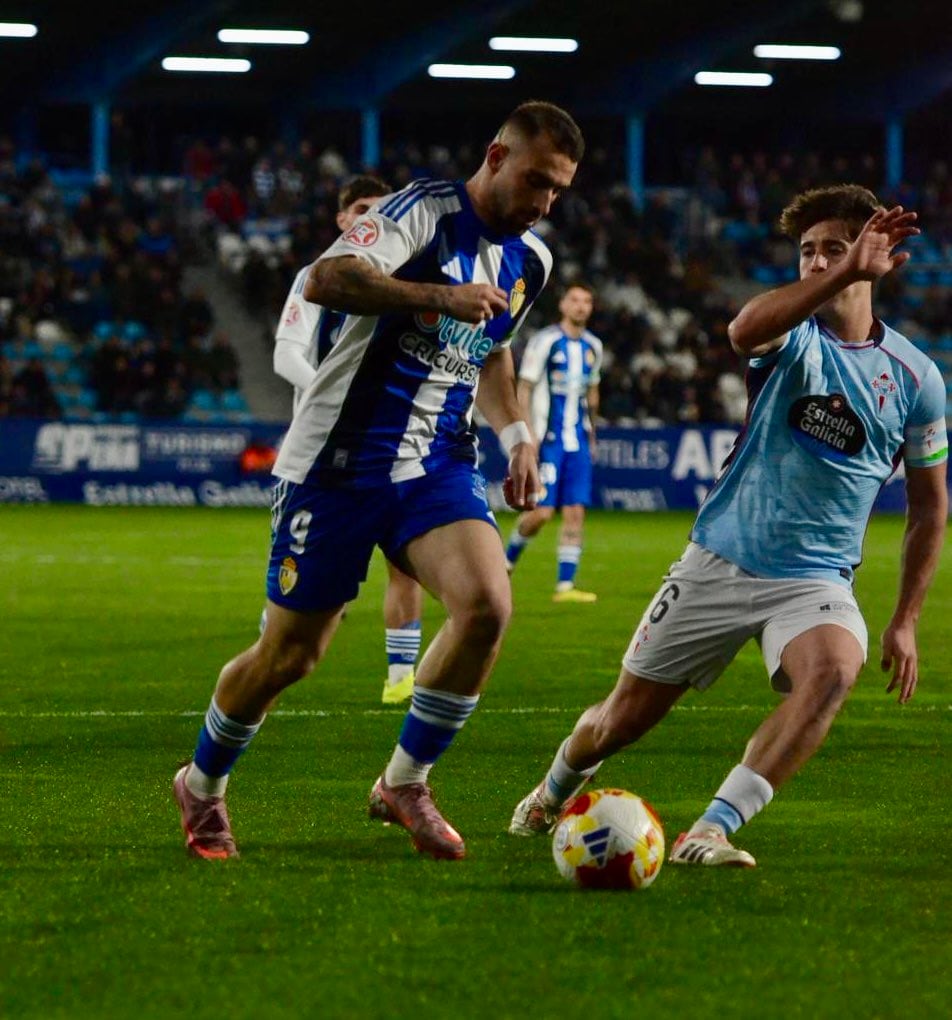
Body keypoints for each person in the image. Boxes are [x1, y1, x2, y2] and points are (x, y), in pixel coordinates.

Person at [174, 100, 584, 861]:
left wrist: (518, 434)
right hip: (335, 464)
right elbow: (328, 277)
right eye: (536, 181)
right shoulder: (419, 214)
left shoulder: (533, 259)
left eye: (558, 190)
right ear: (495, 158)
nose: (544, 202)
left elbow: (492, 350)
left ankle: (405, 781)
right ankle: (200, 784)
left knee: (487, 605)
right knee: (290, 657)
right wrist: (435, 295)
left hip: (436, 464)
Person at [510, 185, 947, 867]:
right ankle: (553, 789)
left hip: (813, 580)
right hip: (718, 558)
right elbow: (743, 330)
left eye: (834, 247)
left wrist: (906, 618)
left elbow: (930, 506)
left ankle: (711, 829)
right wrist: (845, 268)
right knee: (619, 721)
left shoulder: (919, 378)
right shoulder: (794, 336)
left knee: (833, 670)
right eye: (807, 251)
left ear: (881, 254)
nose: (817, 261)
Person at [273, 175, 424, 704]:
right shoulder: (317, 278)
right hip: (320, 454)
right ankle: (266, 664)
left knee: (407, 566)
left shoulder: (402, 281)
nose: (371, 216)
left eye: (381, 210)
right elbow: (285, 354)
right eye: (361, 208)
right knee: (306, 596)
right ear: (342, 220)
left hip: (390, 449)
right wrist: (336, 393)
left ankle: (400, 677)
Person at [504, 282, 602, 601]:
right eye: (575, 300)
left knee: (575, 511)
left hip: (577, 441)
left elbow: (592, 391)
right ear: (562, 305)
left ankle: (565, 586)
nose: (581, 306)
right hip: (548, 440)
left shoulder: (593, 346)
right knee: (541, 513)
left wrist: (592, 434)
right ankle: (506, 562)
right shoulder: (545, 341)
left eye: (586, 300)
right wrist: (526, 432)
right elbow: (526, 386)